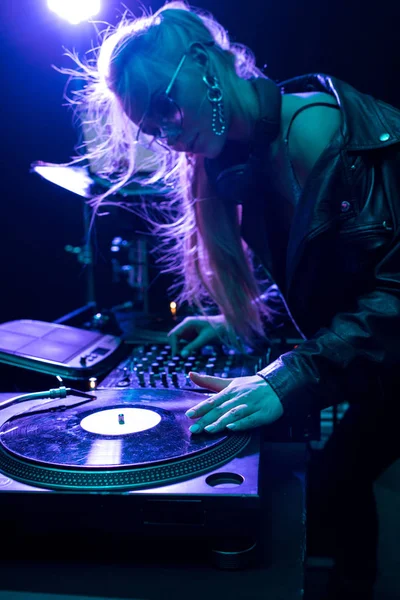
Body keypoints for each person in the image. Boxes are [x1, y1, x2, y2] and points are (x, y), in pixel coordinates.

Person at [64, 2, 400, 597]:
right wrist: (232, 321)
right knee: (334, 483)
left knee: (336, 482)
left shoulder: (314, 131)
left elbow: (392, 293)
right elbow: (328, 271)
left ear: (204, 65)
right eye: (152, 128)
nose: (168, 133)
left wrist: (287, 379)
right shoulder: (252, 150)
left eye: (168, 107)